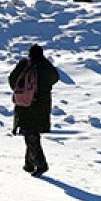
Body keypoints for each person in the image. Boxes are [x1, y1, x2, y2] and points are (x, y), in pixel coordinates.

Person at [8, 43, 60, 177]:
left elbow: (12, 80)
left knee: (31, 135)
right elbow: (55, 78)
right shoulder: (45, 67)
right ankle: (29, 164)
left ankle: (41, 164)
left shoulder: (24, 65)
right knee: (32, 134)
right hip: (41, 106)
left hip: (25, 106)